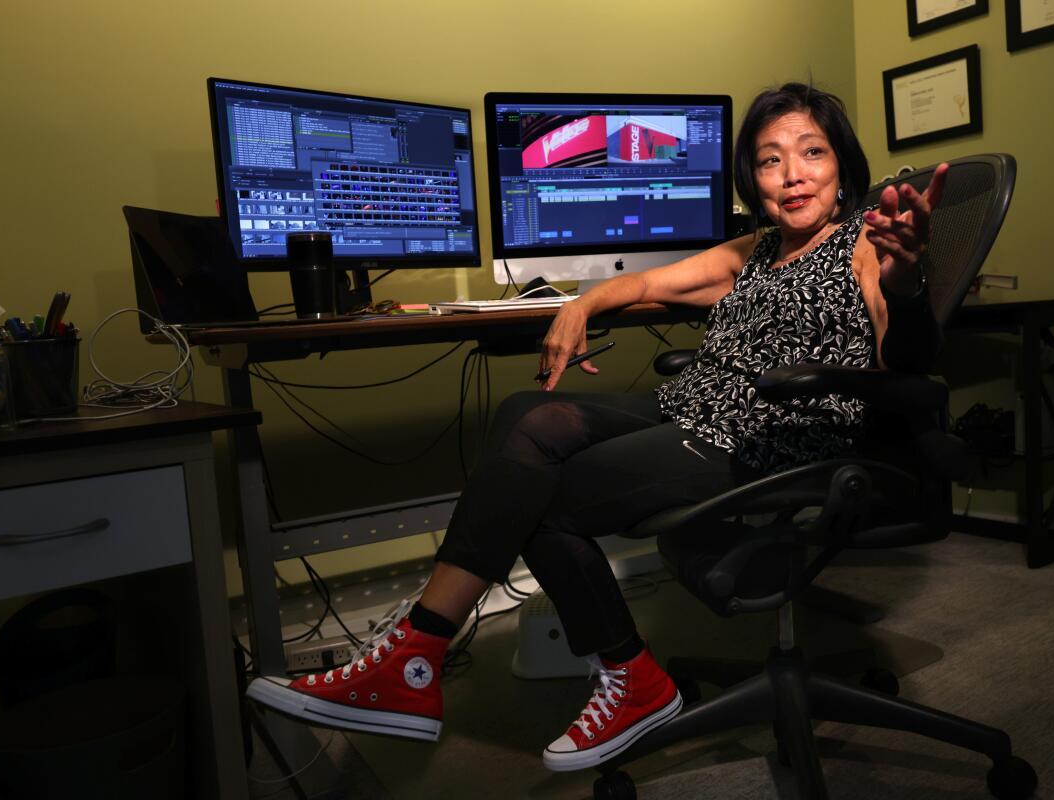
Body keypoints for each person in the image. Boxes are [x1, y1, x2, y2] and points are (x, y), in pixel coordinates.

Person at [246, 81, 947, 772]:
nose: (792, 175)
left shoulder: (865, 245)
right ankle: (422, 659)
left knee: (544, 487)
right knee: (526, 416)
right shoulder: (756, 251)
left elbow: (902, 357)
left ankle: (494, 661)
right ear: (751, 176)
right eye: (769, 159)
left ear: (841, 165)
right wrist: (578, 307)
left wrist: (907, 278)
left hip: (770, 434)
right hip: (696, 405)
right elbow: (644, 284)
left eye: (811, 152)